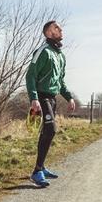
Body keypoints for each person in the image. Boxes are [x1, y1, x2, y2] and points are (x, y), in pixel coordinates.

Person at [25, 21, 76, 188]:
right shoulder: (43, 51)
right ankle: (36, 171)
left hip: (53, 98)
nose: (60, 30)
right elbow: (30, 75)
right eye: (56, 28)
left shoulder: (60, 55)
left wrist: (69, 97)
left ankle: (42, 167)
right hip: (41, 97)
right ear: (48, 33)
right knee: (51, 129)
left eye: (60, 28)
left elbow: (60, 81)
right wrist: (34, 98)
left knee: (47, 133)